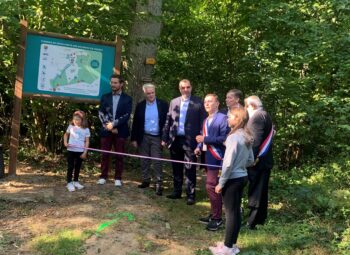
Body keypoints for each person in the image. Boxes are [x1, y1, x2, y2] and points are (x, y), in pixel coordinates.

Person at [209, 108, 254, 255]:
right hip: (242, 177)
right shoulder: (247, 136)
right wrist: (240, 165)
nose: (227, 119)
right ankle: (231, 244)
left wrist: (221, 183)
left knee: (230, 214)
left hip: (233, 180)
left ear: (237, 119)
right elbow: (251, 160)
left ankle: (227, 249)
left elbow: (227, 164)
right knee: (235, 212)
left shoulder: (233, 137)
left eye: (229, 117)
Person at [162, 79, 206, 205]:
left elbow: (203, 123)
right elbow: (168, 121)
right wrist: (165, 137)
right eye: (183, 88)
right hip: (175, 139)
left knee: (190, 167)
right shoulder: (174, 102)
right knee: (176, 167)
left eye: (188, 87)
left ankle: (190, 194)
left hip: (190, 141)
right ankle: (177, 191)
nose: (185, 90)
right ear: (179, 89)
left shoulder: (198, 102)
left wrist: (200, 142)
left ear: (191, 87)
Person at [194, 94, 229, 231]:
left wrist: (205, 139)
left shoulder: (223, 119)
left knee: (211, 186)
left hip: (218, 158)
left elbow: (224, 138)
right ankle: (214, 213)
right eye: (205, 102)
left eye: (210, 101)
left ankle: (217, 218)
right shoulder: (205, 120)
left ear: (217, 104)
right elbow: (203, 139)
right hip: (208, 157)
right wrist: (198, 148)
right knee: (211, 186)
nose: (207, 104)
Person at [130, 83, 169, 195]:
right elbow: (136, 123)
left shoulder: (163, 104)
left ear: (155, 92)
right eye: (148, 93)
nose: (151, 95)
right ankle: (146, 180)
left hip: (157, 137)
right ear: (144, 93)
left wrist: (165, 138)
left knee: (157, 161)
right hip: (144, 137)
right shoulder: (140, 105)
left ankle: (158, 183)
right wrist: (134, 139)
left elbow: (167, 122)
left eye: (152, 92)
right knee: (144, 160)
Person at [97, 74, 132, 187]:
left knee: (119, 156)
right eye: (112, 82)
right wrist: (109, 126)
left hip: (120, 131)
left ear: (121, 84)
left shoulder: (127, 99)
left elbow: (126, 115)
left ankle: (118, 178)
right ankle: (103, 176)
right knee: (104, 154)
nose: (113, 84)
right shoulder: (105, 97)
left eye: (115, 82)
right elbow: (101, 113)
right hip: (107, 130)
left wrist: (114, 125)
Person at [245, 95, 274, 229]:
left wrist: (250, 159)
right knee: (262, 191)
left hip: (258, 162)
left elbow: (255, 141)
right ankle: (261, 219)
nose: (245, 109)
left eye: (246, 106)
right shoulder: (265, 114)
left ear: (252, 106)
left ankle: (252, 222)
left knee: (256, 191)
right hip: (265, 161)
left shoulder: (256, 117)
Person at [63, 110, 90, 192]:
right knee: (70, 166)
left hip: (80, 151)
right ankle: (69, 182)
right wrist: (65, 142)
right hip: (71, 150)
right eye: (74, 119)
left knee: (78, 167)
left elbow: (87, 141)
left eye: (78, 119)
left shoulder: (86, 129)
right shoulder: (70, 127)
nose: (75, 121)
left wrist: (85, 152)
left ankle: (75, 181)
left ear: (82, 120)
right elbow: (66, 134)